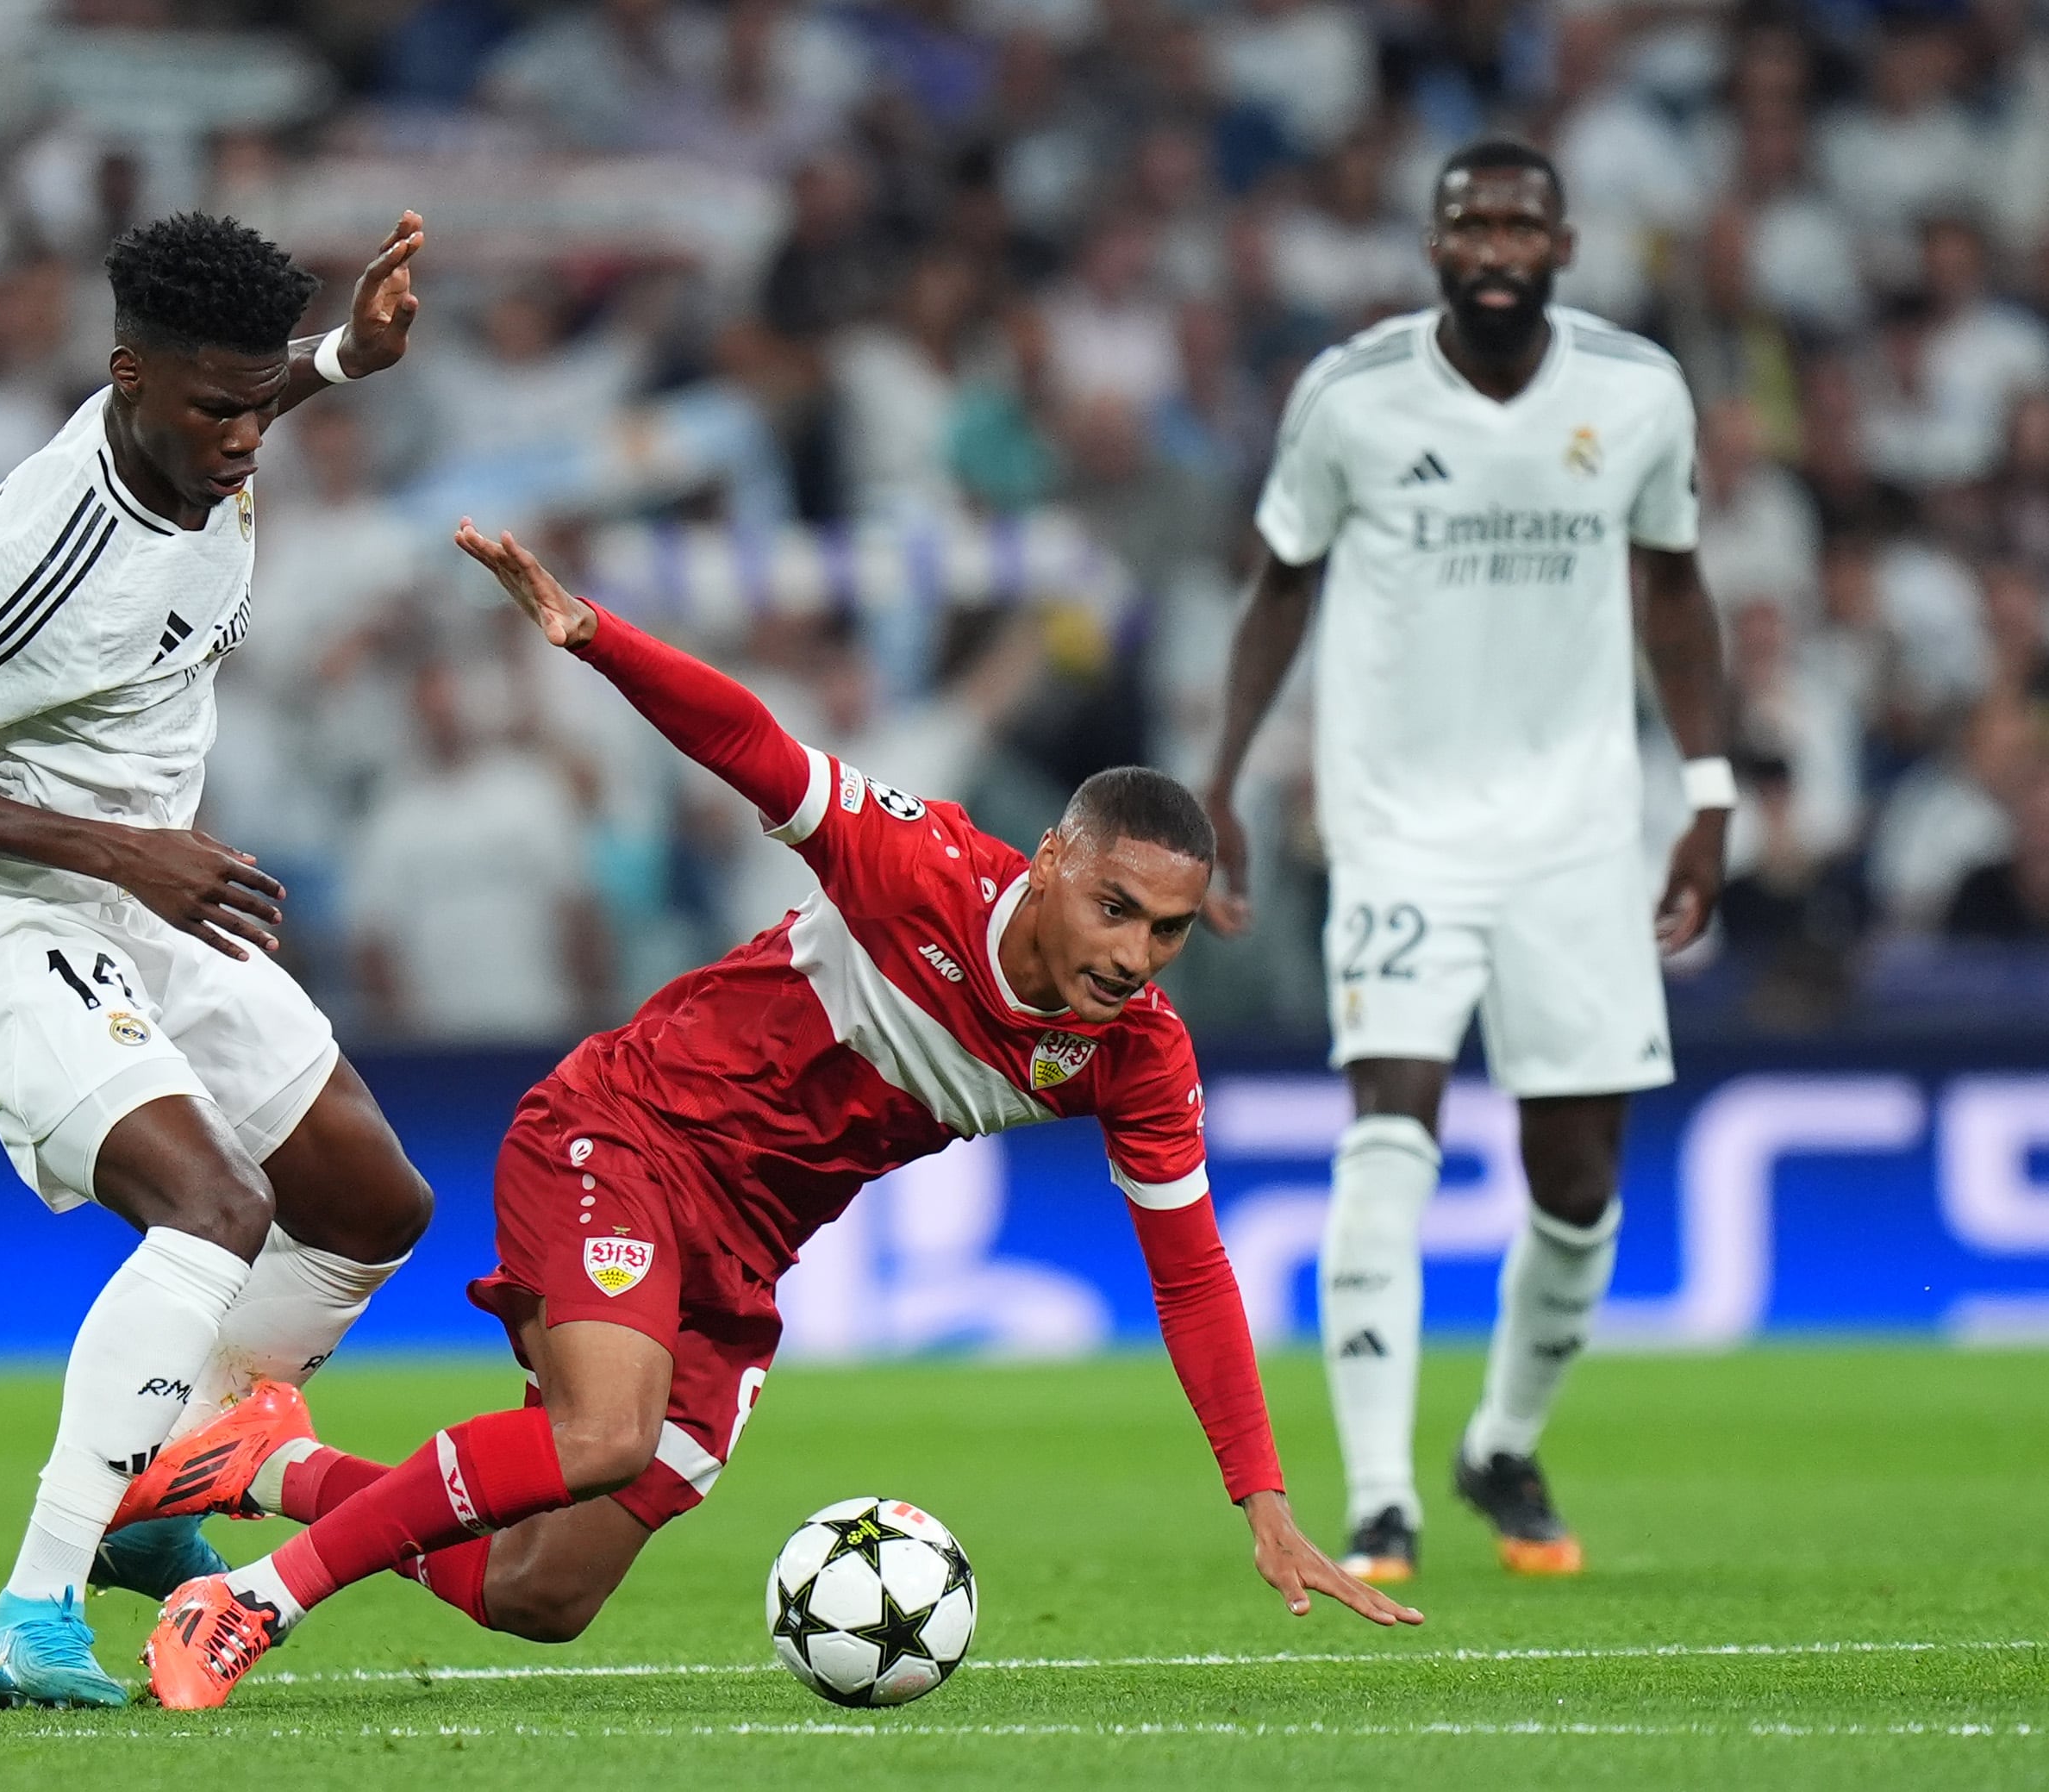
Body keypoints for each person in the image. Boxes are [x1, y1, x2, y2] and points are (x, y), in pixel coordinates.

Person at [117, 522, 1421, 1711]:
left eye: (1172, 932)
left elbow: (1190, 1275)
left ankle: (271, 1462)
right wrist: (596, 637)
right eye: (1119, 910)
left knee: (538, 1595)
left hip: (742, 1249)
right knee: (603, 1434)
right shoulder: (920, 868)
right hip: (625, 1131)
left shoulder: (1135, 1054)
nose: (1139, 956)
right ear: (1056, 865)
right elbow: (750, 741)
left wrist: (1263, 1501)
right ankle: (245, 1601)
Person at [0, 211, 439, 1707]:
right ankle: (28, 1613)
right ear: (128, 377)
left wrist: (347, 355)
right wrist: (129, 853)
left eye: (257, 401)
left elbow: (255, 384)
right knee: (213, 1206)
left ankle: (160, 1489)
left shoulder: (195, 419)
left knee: (369, 1201)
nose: (247, 437)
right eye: (219, 407)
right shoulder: (40, 546)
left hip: (139, 904)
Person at [1198, 140, 1733, 1584]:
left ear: (1562, 245)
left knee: (1580, 1178)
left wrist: (1711, 789)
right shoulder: (1351, 396)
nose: (1495, 241)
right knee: (1391, 1130)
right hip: (1400, 832)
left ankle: (1499, 1441)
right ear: (1434, 247)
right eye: (1468, 221)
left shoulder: (1634, 393)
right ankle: (1380, 1501)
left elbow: (1675, 589)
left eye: (1520, 220)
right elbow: (1279, 590)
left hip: (1577, 836)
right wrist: (1224, 780)